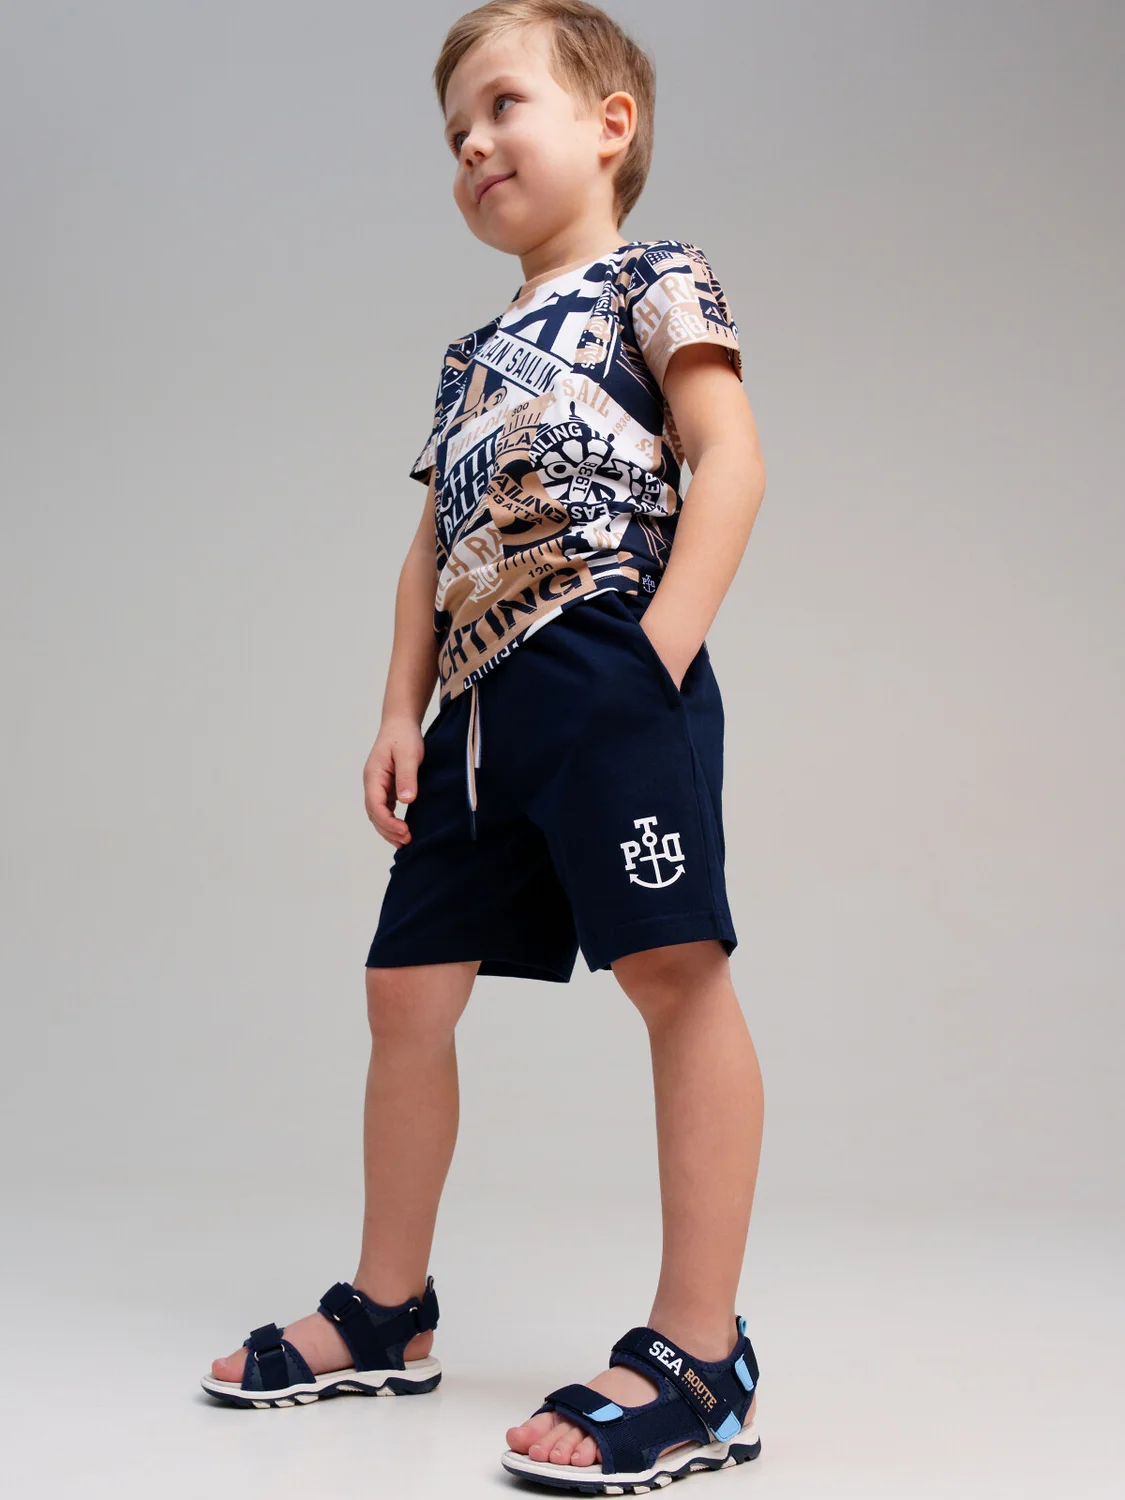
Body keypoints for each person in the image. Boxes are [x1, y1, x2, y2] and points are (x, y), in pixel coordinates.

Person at [201, 0, 767, 1489]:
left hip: (602, 662)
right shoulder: (467, 356)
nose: (471, 144)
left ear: (609, 126)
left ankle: (701, 1350)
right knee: (404, 990)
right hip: (473, 713)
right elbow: (428, 549)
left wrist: (654, 656)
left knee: (673, 971)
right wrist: (402, 710)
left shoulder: (654, 278)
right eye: (453, 130)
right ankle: (387, 1310)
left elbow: (732, 458)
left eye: (503, 105)